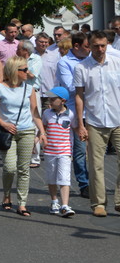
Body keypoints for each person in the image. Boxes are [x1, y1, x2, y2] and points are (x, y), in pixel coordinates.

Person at [0, 57, 45, 216]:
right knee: (10, 167)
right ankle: (7, 195)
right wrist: (4, 124)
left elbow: (35, 112)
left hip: (27, 131)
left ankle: (22, 204)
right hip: (7, 133)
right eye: (25, 70)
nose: (28, 72)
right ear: (15, 71)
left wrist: (42, 131)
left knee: (24, 169)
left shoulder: (29, 89)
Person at [73, 30, 120, 217]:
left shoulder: (117, 63)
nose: (100, 49)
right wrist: (80, 123)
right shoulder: (82, 67)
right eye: (96, 46)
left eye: (103, 45)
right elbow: (79, 96)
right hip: (95, 121)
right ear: (89, 46)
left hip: (118, 119)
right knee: (96, 164)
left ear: (107, 44)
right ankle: (98, 203)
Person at [57, 31, 90, 199]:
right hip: (75, 111)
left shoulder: (91, 59)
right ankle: (84, 184)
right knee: (79, 150)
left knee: (96, 151)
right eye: (87, 46)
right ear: (76, 46)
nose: (90, 49)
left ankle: (96, 182)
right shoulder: (65, 62)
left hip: (95, 111)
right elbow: (71, 87)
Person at [42, 87, 75, 217]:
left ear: (62, 100)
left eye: (53, 99)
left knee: (64, 178)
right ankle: (54, 201)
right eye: (49, 98)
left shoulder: (71, 114)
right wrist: (39, 137)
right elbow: (43, 128)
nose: (50, 101)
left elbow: (75, 128)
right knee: (51, 178)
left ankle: (65, 205)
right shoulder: (47, 113)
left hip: (65, 150)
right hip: (50, 151)